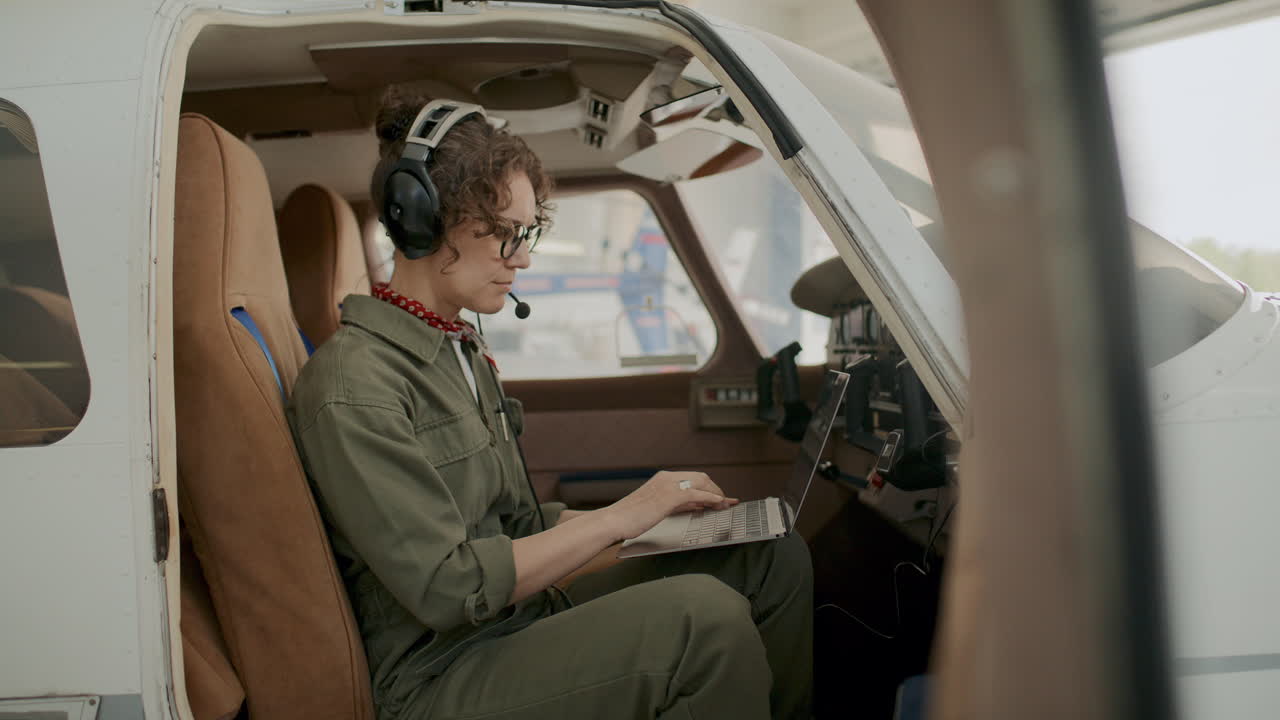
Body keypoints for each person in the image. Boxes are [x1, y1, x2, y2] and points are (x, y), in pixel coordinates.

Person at [287, 90, 814, 720]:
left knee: (765, 551)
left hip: (516, 617)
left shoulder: (457, 347)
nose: (524, 258)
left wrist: (655, 521)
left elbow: (517, 529)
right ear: (423, 220)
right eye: (506, 234)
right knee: (703, 623)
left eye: (527, 232)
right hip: (442, 672)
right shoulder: (354, 385)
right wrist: (624, 517)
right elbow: (451, 588)